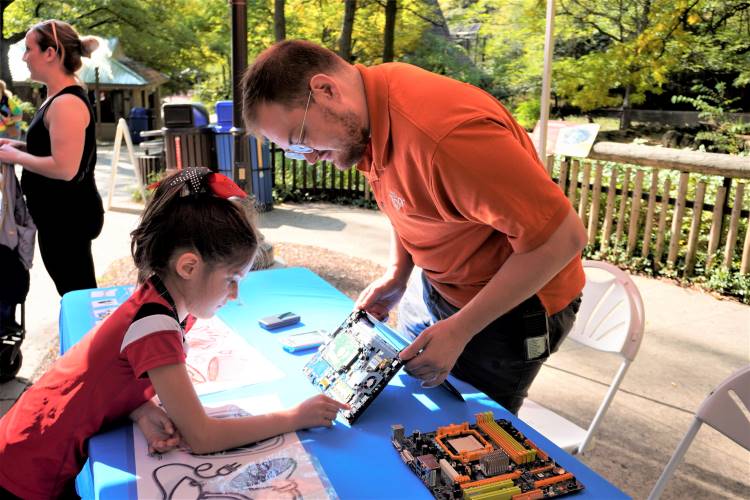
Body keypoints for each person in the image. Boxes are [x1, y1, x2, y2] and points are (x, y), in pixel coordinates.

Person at [241, 40, 588, 415]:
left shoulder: (448, 137)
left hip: (511, 309)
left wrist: (459, 329)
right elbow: (405, 198)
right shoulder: (365, 115)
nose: (307, 158)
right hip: (441, 288)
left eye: (300, 139)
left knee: (469, 431)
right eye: (292, 150)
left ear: (326, 91)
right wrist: (398, 273)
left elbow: (562, 238)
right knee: (406, 399)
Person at [0, 167, 348, 499]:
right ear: (189, 266)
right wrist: (294, 417)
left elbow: (105, 376)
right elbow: (202, 436)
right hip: (26, 470)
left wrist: (140, 409)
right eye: (232, 280)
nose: (235, 295)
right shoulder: (156, 325)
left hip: (25, 442)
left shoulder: (160, 300)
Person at [0, 19, 104, 296]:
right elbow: (55, 151)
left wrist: (16, 157)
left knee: (78, 293)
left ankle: (89, 339)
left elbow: (65, 168)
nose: (24, 57)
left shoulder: (66, 103)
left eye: (29, 49)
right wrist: (19, 148)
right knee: (73, 290)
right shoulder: (55, 98)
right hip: (58, 217)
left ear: (50, 53)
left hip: (68, 219)